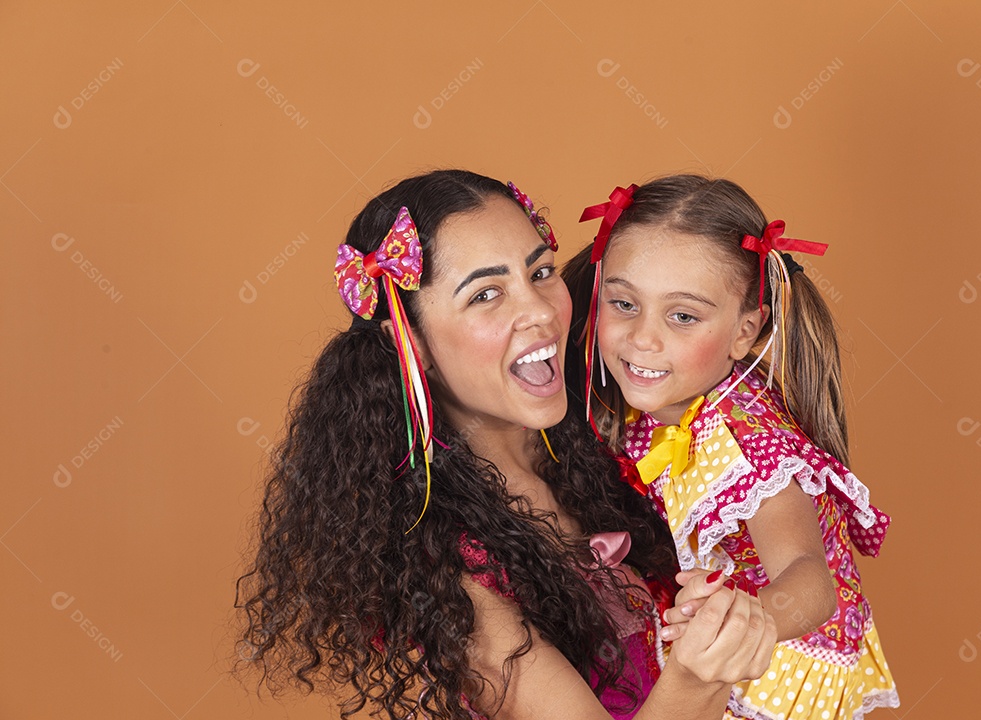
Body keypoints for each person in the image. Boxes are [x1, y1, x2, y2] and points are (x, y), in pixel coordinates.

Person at [234, 169, 777, 720]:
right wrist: (698, 678)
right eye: (487, 293)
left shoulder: (613, 436)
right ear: (411, 343)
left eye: (540, 271)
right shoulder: (446, 573)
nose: (541, 311)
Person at [563, 175, 899, 719]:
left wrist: (740, 617)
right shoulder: (662, 399)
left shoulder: (747, 440)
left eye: (683, 316)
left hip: (771, 664)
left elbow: (812, 583)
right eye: (624, 303)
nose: (643, 338)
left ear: (745, 332)